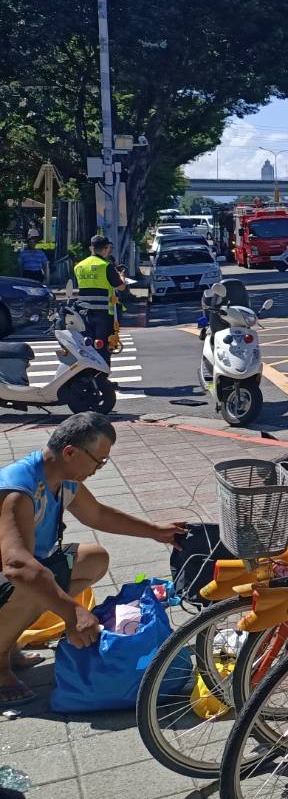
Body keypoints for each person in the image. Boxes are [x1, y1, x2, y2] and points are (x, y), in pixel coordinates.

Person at [0, 413, 185, 705]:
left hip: (24, 570)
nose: (98, 470)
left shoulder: (62, 477)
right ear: (70, 452)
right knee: (31, 585)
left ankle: (8, 642)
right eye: (98, 461)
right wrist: (73, 612)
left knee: (93, 559)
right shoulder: (19, 489)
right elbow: (16, 566)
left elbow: (96, 514)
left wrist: (154, 531)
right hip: (12, 573)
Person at [72, 235, 129, 363]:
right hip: (104, 313)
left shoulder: (79, 266)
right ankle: (102, 373)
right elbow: (121, 287)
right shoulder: (106, 265)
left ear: (91, 248)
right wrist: (121, 275)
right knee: (104, 347)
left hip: (84, 313)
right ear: (105, 248)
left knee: (87, 346)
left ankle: (89, 372)